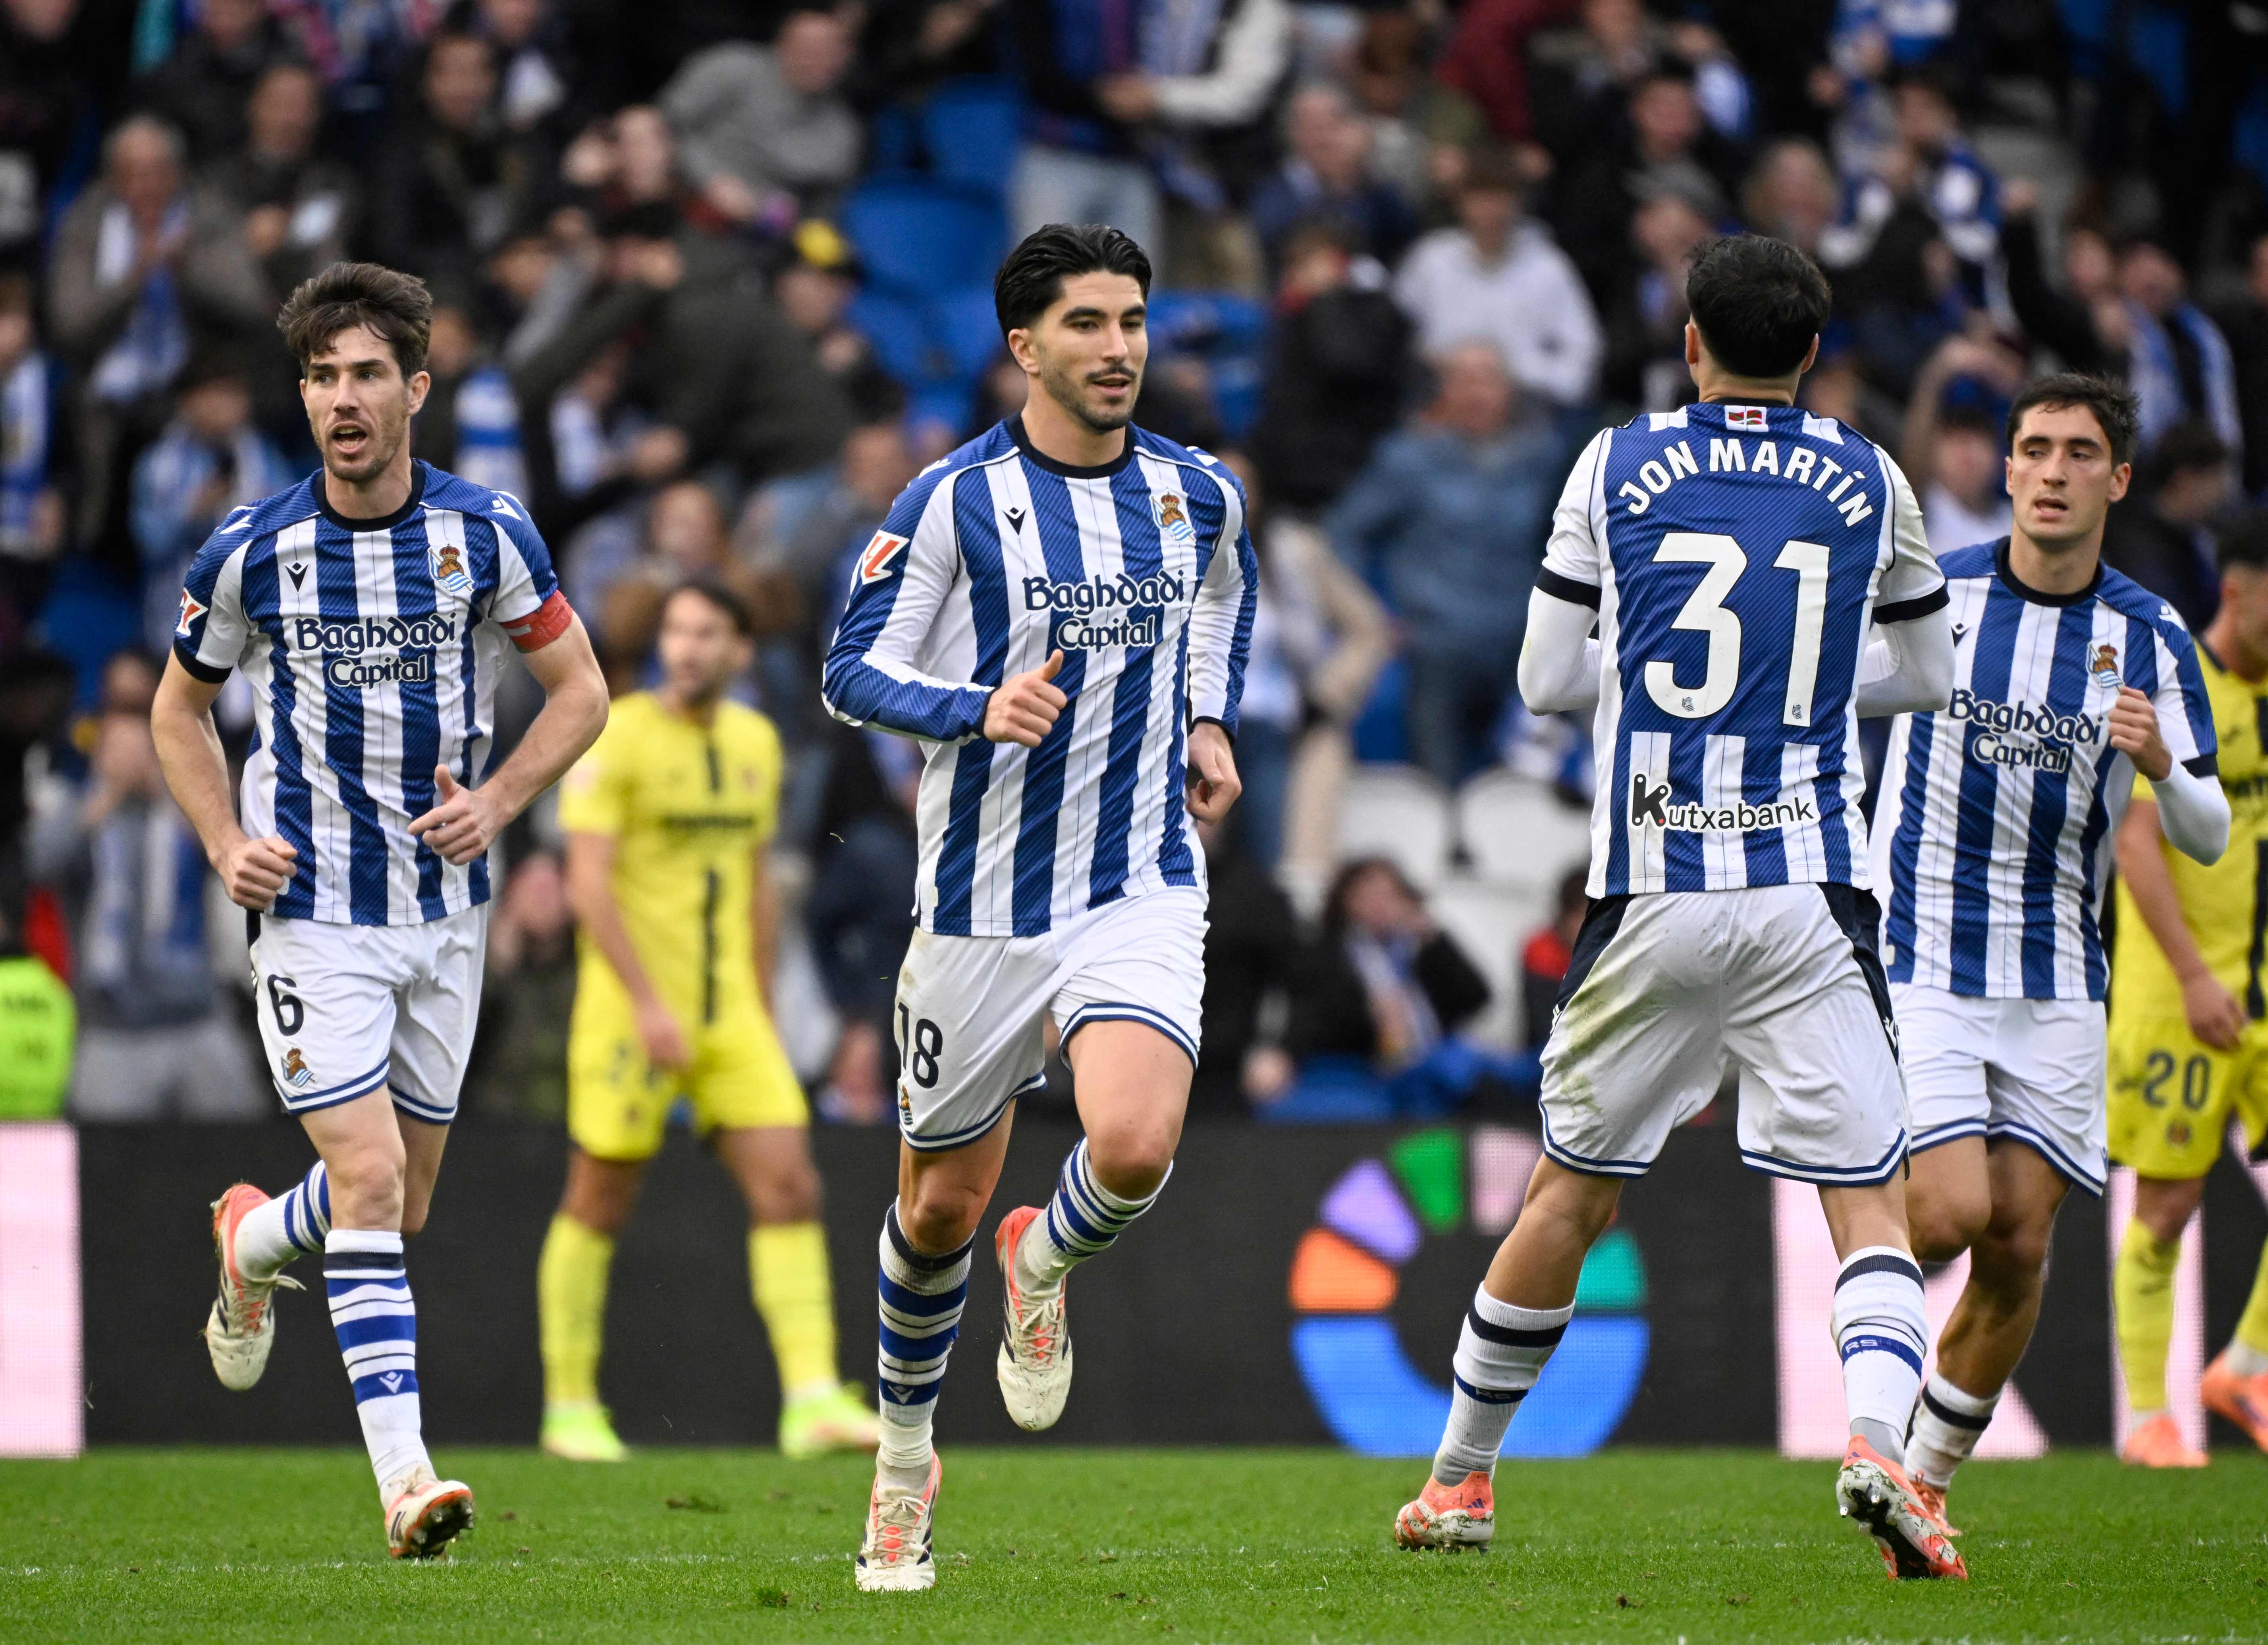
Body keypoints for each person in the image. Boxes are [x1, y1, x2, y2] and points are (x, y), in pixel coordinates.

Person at [1392, 235, 1963, 1579]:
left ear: (1688, 339)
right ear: (1812, 355)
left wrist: (1650, 679)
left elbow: (1542, 681)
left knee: (1566, 1199)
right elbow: (1926, 676)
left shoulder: (1617, 462)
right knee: (1864, 1203)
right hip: (1809, 889)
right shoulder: (1871, 477)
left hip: (1651, 882)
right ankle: (1882, 1444)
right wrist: (1808, 685)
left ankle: (1462, 1479)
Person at [150, 261, 609, 1558]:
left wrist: (504, 801)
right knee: (365, 1175)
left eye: (365, 375)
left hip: (445, 911)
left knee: (396, 1207)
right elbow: (175, 711)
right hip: (312, 913)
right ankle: (407, 1482)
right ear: (302, 396)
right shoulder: (254, 548)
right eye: (320, 377)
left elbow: (580, 692)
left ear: (416, 386)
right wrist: (224, 836)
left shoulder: (487, 534)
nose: (342, 401)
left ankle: (253, 1237)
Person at [820, 223, 1252, 1590]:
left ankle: (1047, 1259)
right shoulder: (952, 502)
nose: (1118, 347)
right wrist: (975, 706)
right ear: (1025, 346)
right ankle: (902, 1466)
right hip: (975, 908)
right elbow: (848, 670)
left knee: (1127, 1142)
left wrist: (1206, 717)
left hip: (1136, 881)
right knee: (938, 1208)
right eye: (1086, 324)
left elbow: (1223, 605)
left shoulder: (1198, 497)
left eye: (1131, 320)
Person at [1872, 376, 2227, 1525]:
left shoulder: (2155, 635)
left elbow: (2209, 831)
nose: (2054, 471)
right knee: (1944, 1215)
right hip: (1925, 950)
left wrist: (2166, 765)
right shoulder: (1935, 595)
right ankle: (1875, 1406)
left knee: (2022, 1245)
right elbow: (1831, 701)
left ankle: (1918, 1489)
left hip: (2063, 977)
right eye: (2036, 450)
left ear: (2118, 481)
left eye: (2081, 453)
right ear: (2009, 471)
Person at [539, 579, 879, 1463]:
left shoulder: (758, 741)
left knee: (791, 1184)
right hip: (630, 1013)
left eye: (706, 634)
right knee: (600, 1196)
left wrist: (761, 1002)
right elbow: (587, 883)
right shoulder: (615, 734)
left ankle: (811, 1401)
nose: (685, 648)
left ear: (739, 652)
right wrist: (649, 1003)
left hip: (732, 1016)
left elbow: (759, 880)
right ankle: (569, 1404)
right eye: (676, 631)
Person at [2106, 508, 2268, 1468]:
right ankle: (2145, 1422)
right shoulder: (2178, 691)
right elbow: (2137, 846)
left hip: (2262, 987)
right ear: (2239, 593)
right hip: (2179, 991)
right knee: (2166, 1210)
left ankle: (2244, 1363)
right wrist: (2199, 976)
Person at [25, 649, 267, 1120]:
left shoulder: (194, 798)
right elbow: (39, 863)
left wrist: (167, 785)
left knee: (241, 1156)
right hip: (111, 1030)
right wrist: (106, 794)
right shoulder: (78, 801)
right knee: (105, 1170)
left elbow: (236, 852)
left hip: (197, 1018)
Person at [1327, 339, 1563, 787]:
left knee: (1528, 774)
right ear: (1444, 390)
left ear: (1509, 390)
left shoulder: (1544, 460)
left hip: (1520, 641)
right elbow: (1344, 534)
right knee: (1437, 778)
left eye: (1489, 380)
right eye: (1464, 381)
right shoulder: (1409, 458)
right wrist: (1371, 614)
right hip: (1436, 640)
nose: (1477, 393)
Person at [1392, 148, 1602, 408]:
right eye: (1479, 196)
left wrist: (1512, 372)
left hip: (1525, 409)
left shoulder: (1548, 266)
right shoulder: (1430, 259)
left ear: (1518, 201)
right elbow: (1394, 338)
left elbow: (1583, 359)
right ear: (1460, 202)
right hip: (1439, 404)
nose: (1489, 208)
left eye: (1500, 195)